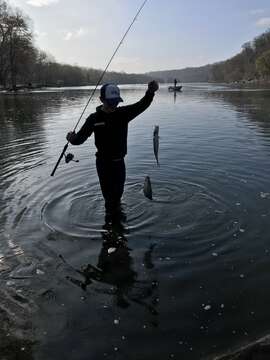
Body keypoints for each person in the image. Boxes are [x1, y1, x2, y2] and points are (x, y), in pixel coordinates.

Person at [66, 80, 159, 217]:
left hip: (119, 163)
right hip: (103, 164)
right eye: (110, 102)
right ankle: (112, 226)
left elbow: (141, 105)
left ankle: (116, 224)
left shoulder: (123, 114)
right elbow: (80, 139)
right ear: (101, 99)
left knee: (117, 197)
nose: (113, 106)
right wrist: (72, 139)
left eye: (116, 102)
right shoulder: (94, 118)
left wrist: (150, 92)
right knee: (109, 199)